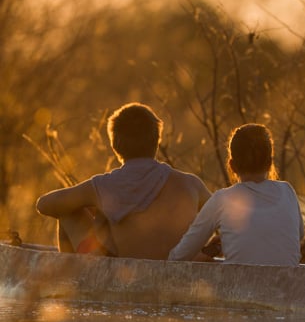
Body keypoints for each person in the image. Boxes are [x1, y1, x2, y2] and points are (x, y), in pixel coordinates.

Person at [36, 102, 211, 260]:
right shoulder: (190, 184)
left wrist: (90, 204)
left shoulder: (103, 186)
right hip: (180, 275)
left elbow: (44, 204)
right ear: (157, 141)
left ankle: (74, 283)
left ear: (114, 145)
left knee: (67, 213)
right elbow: (225, 219)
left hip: (124, 277)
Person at [169, 123, 304, 266]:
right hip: (287, 287)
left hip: (240, 287)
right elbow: (298, 235)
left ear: (232, 166)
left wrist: (208, 251)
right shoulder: (287, 191)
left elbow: (178, 258)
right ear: (270, 163)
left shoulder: (222, 199)